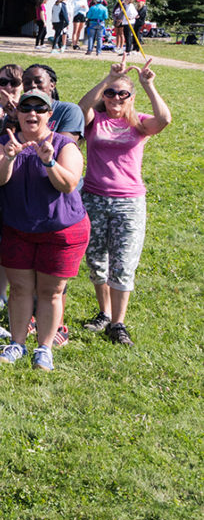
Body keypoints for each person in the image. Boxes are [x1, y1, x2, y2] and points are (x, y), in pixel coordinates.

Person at [0, 90, 88, 371]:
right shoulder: (4, 142)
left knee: (50, 292)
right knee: (19, 289)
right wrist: (8, 157)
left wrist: (49, 162)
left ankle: (44, 348)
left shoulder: (65, 144)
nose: (32, 113)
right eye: (26, 108)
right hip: (18, 228)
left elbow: (68, 185)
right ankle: (17, 343)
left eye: (39, 109)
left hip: (61, 230)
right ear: (17, 113)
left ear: (49, 114)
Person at [76, 58, 170, 346]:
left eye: (122, 94)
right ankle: (104, 313)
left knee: (123, 262)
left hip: (129, 202)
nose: (116, 98)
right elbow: (81, 109)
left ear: (131, 97)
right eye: (111, 93)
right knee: (96, 260)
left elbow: (165, 119)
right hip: (92, 197)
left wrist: (148, 85)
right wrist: (108, 78)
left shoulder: (139, 123)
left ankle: (118, 324)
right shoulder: (95, 121)